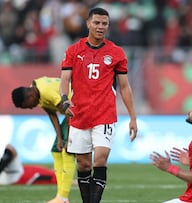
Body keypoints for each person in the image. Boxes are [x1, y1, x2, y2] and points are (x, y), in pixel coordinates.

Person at [59, 7, 138, 203]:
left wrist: (133, 117)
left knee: (100, 159)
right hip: (79, 115)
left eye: (104, 24)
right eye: (96, 23)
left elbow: (125, 87)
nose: (100, 27)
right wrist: (64, 99)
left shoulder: (116, 53)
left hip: (104, 115)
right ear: (88, 24)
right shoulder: (73, 51)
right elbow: (64, 79)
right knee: (83, 165)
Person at [11, 76, 75, 203]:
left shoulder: (46, 92)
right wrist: (60, 138)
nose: (30, 108)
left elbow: (69, 110)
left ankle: (63, 197)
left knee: (68, 151)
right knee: (56, 151)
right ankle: (61, 197)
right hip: (71, 111)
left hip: (77, 107)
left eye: (27, 106)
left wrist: (68, 136)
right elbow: (52, 113)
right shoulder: (36, 91)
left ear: (30, 96)